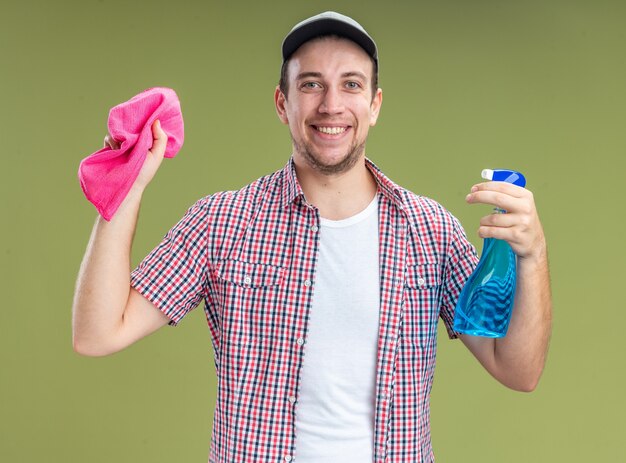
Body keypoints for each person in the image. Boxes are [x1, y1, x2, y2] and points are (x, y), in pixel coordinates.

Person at [72, 11, 552, 463]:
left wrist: (533, 257)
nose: (331, 105)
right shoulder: (221, 222)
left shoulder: (430, 231)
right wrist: (127, 185)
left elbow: (517, 370)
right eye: (311, 84)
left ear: (374, 104)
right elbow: (97, 334)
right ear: (284, 103)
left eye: (351, 84)